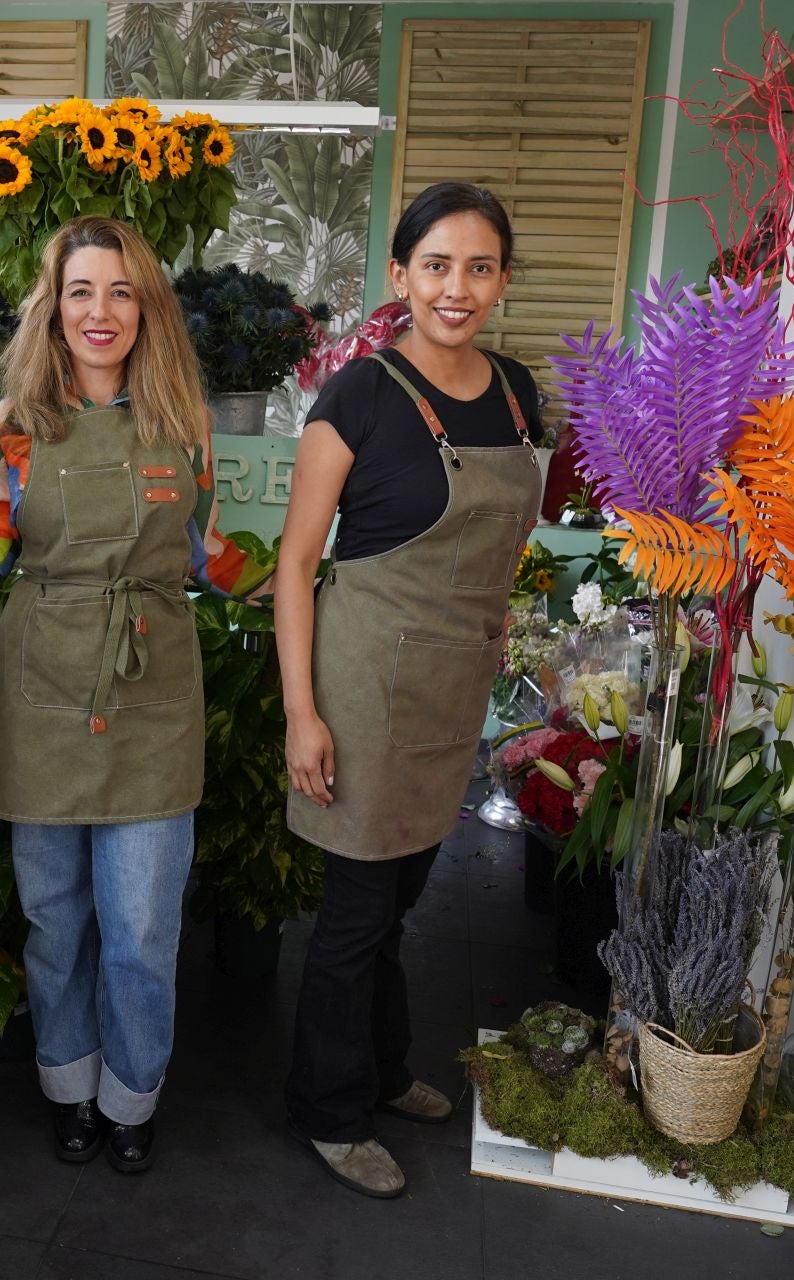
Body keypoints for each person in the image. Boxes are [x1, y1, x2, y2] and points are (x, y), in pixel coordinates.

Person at [0, 216, 268, 1174]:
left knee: (145, 928)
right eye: (81, 292)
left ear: (146, 307)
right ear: (54, 306)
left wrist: (304, 566)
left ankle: (132, 1098)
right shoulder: (15, 430)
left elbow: (208, 555)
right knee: (56, 918)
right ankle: (69, 1087)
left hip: (153, 691)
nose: (100, 311)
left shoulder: (182, 428)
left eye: (120, 292)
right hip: (40, 687)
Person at [274, 182, 543, 1198]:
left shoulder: (519, 392)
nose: (457, 287)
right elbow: (297, 562)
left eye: (479, 266)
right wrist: (304, 712)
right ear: (400, 277)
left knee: (402, 905)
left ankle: (382, 1069)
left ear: (503, 279)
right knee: (354, 913)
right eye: (436, 265)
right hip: (363, 687)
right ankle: (327, 1107)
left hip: (451, 681)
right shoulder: (359, 396)